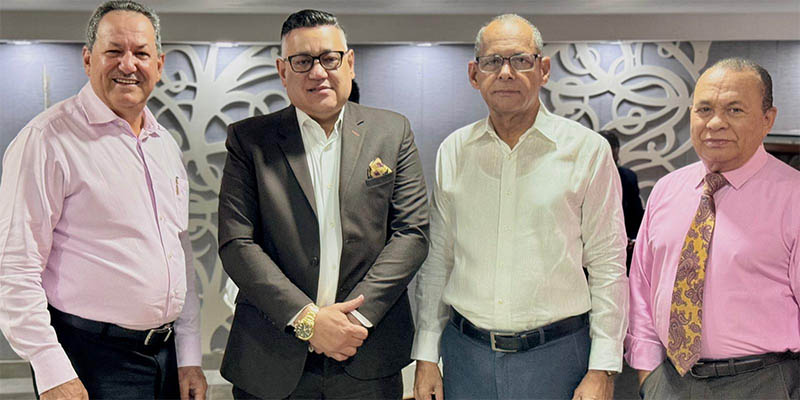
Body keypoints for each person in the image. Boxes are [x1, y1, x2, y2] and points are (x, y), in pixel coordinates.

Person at [412, 14, 628, 400]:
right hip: (466, 356)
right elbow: (437, 261)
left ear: (543, 69)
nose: (506, 72)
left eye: (521, 60)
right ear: (474, 74)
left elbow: (608, 265)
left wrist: (603, 369)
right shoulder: (454, 151)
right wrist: (426, 356)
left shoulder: (587, 151)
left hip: (558, 357)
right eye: (493, 61)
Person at [217, 9, 429, 399]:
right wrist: (309, 321)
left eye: (330, 58)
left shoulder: (392, 131)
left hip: (367, 354)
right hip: (271, 357)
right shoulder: (249, 141)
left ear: (350, 62)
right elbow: (237, 243)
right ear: (283, 71)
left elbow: (411, 234)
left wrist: (355, 319)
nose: (318, 72)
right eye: (302, 61)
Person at [0, 1, 207, 399]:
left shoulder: (164, 144)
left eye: (141, 53)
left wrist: (189, 355)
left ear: (159, 65)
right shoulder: (47, 140)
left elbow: (180, 255)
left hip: (164, 357)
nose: (128, 64)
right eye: (114, 51)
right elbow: (16, 266)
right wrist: (50, 369)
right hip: (90, 360)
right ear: (87, 59)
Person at [626, 58, 800, 399]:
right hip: (670, 381)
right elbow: (642, 289)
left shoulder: (793, 196)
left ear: (768, 119)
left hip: (765, 382)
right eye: (704, 109)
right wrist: (649, 377)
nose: (715, 123)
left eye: (734, 110)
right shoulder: (666, 190)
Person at [599, 130, 645, 270]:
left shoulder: (627, 177)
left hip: (623, 246)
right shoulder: (583, 177)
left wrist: (633, 239)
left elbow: (636, 215)